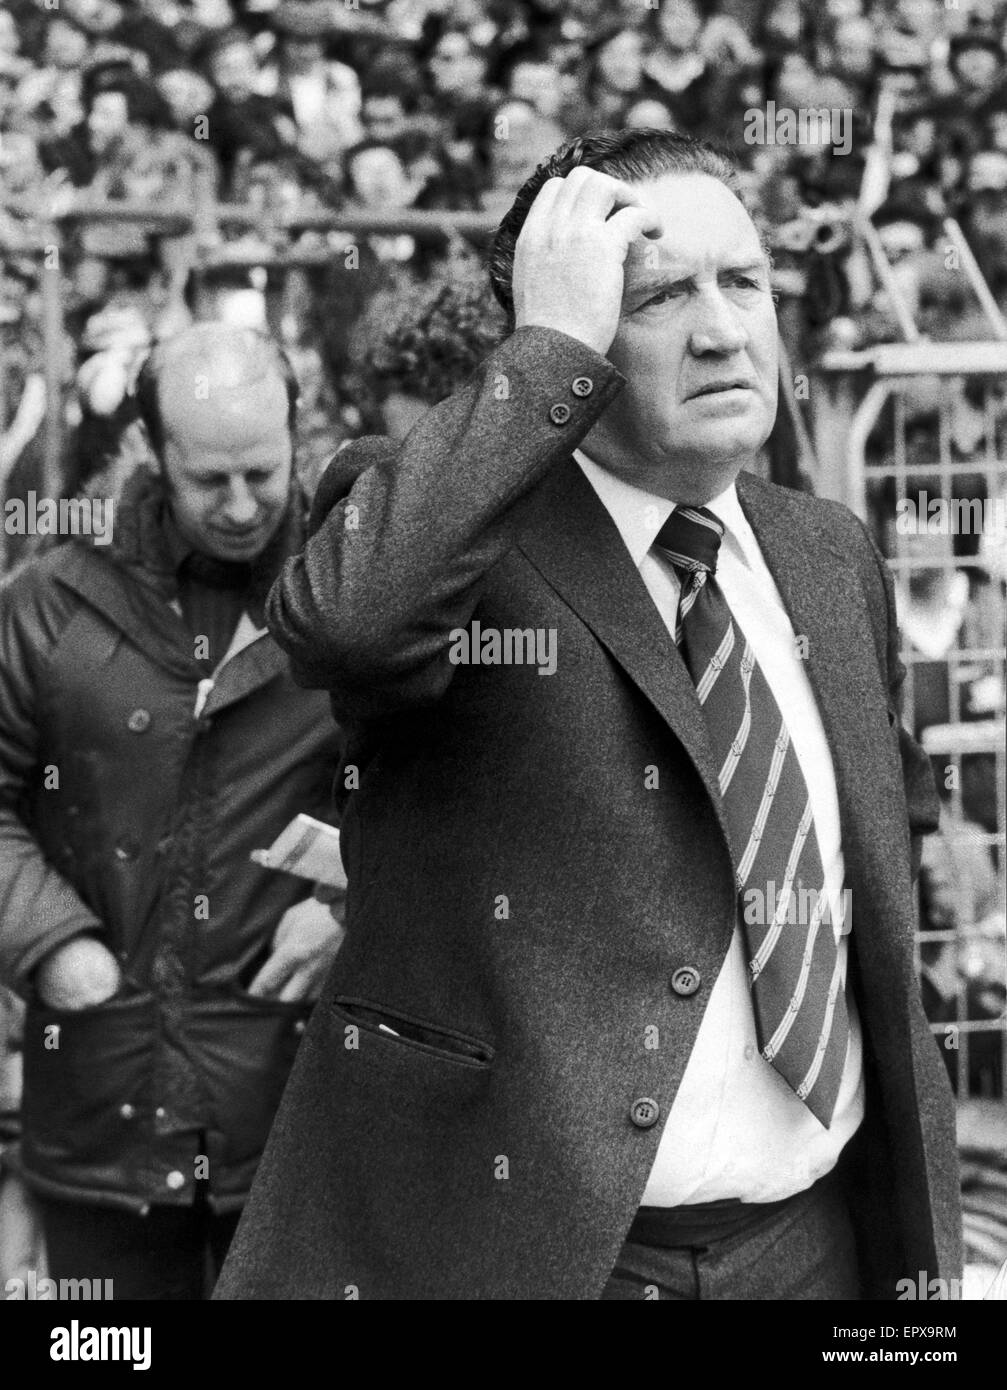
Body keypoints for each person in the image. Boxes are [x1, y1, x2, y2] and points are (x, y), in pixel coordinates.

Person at [218, 127, 961, 1302]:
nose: (721, 329)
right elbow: (344, 623)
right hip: (545, 1257)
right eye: (659, 295)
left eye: (743, 282)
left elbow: (870, 852)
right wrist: (542, 352)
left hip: (816, 1249)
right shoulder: (456, 539)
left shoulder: (827, 553)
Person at [0, 323, 344, 1299]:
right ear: (152, 450)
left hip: (294, 1117)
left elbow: (447, 790)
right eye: (208, 482)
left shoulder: (351, 596)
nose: (240, 507)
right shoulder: (52, 602)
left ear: (296, 433)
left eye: (262, 473)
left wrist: (354, 902)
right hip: (104, 1111)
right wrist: (49, 941)